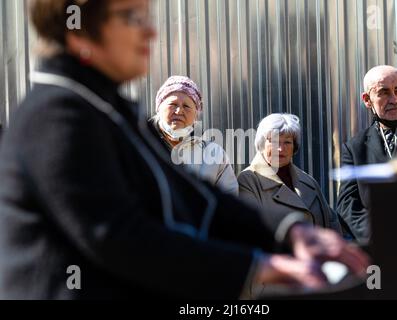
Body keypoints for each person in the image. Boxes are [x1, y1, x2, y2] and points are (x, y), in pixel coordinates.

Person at [0, 0, 369, 299]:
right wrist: (256, 268)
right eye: (132, 17)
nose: (150, 30)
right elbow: (117, 236)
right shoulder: (57, 115)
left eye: (147, 16)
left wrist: (290, 231)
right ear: (78, 28)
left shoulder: (109, 110)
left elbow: (193, 195)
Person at [336, 66, 397, 244]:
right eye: (384, 92)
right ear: (367, 100)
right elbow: (348, 204)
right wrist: (379, 235)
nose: (394, 99)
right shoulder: (355, 147)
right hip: (381, 248)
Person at [238, 113, 342, 234]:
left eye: (287, 142)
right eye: (274, 141)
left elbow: (331, 223)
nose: (281, 149)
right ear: (262, 144)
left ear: (294, 147)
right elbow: (250, 231)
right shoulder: (249, 180)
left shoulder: (308, 181)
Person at [148, 76, 238, 195]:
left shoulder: (214, 155)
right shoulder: (141, 144)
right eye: (173, 104)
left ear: (196, 115)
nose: (179, 111)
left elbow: (229, 200)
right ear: (159, 108)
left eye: (186, 106)